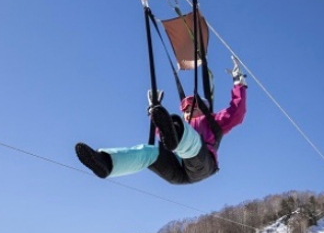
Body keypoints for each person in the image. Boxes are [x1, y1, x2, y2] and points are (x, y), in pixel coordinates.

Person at [75, 58, 248, 185]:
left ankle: (178, 137)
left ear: (204, 108)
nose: (187, 112)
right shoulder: (183, 123)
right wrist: (154, 108)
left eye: (191, 108)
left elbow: (237, 111)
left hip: (201, 165)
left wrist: (238, 83)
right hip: (178, 171)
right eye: (185, 110)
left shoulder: (213, 122)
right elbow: (162, 131)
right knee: (147, 152)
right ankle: (107, 162)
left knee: (190, 140)